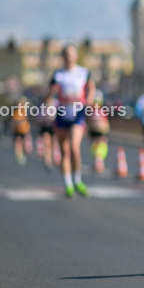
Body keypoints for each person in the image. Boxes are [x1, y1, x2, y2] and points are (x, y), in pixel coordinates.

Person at [48, 44, 96, 197]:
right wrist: (51, 94)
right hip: (62, 113)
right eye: (66, 54)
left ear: (76, 56)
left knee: (75, 147)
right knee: (65, 150)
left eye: (72, 54)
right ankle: (68, 183)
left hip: (78, 113)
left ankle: (78, 180)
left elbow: (91, 87)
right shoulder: (58, 74)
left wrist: (89, 99)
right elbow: (49, 93)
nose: (69, 57)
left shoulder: (83, 72)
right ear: (63, 57)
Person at [86, 89, 110, 173]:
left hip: (94, 128)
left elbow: (88, 120)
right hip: (100, 129)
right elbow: (105, 121)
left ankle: (97, 160)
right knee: (101, 144)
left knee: (95, 144)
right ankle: (99, 160)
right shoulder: (101, 110)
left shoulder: (91, 110)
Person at [36, 94, 58, 171]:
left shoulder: (56, 104)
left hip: (54, 127)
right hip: (46, 126)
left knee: (54, 144)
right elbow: (38, 118)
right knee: (47, 144)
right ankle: (48, 161)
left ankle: (55, 157)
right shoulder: (43, 106)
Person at [10, 96, 31, 165]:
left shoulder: (23, 111)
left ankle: (22, 153)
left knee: (23, 142)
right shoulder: (16, 112)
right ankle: (19, 155)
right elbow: (14, 121)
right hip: (17, 130)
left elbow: (26, 121)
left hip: (23, 130)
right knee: (18, 142)